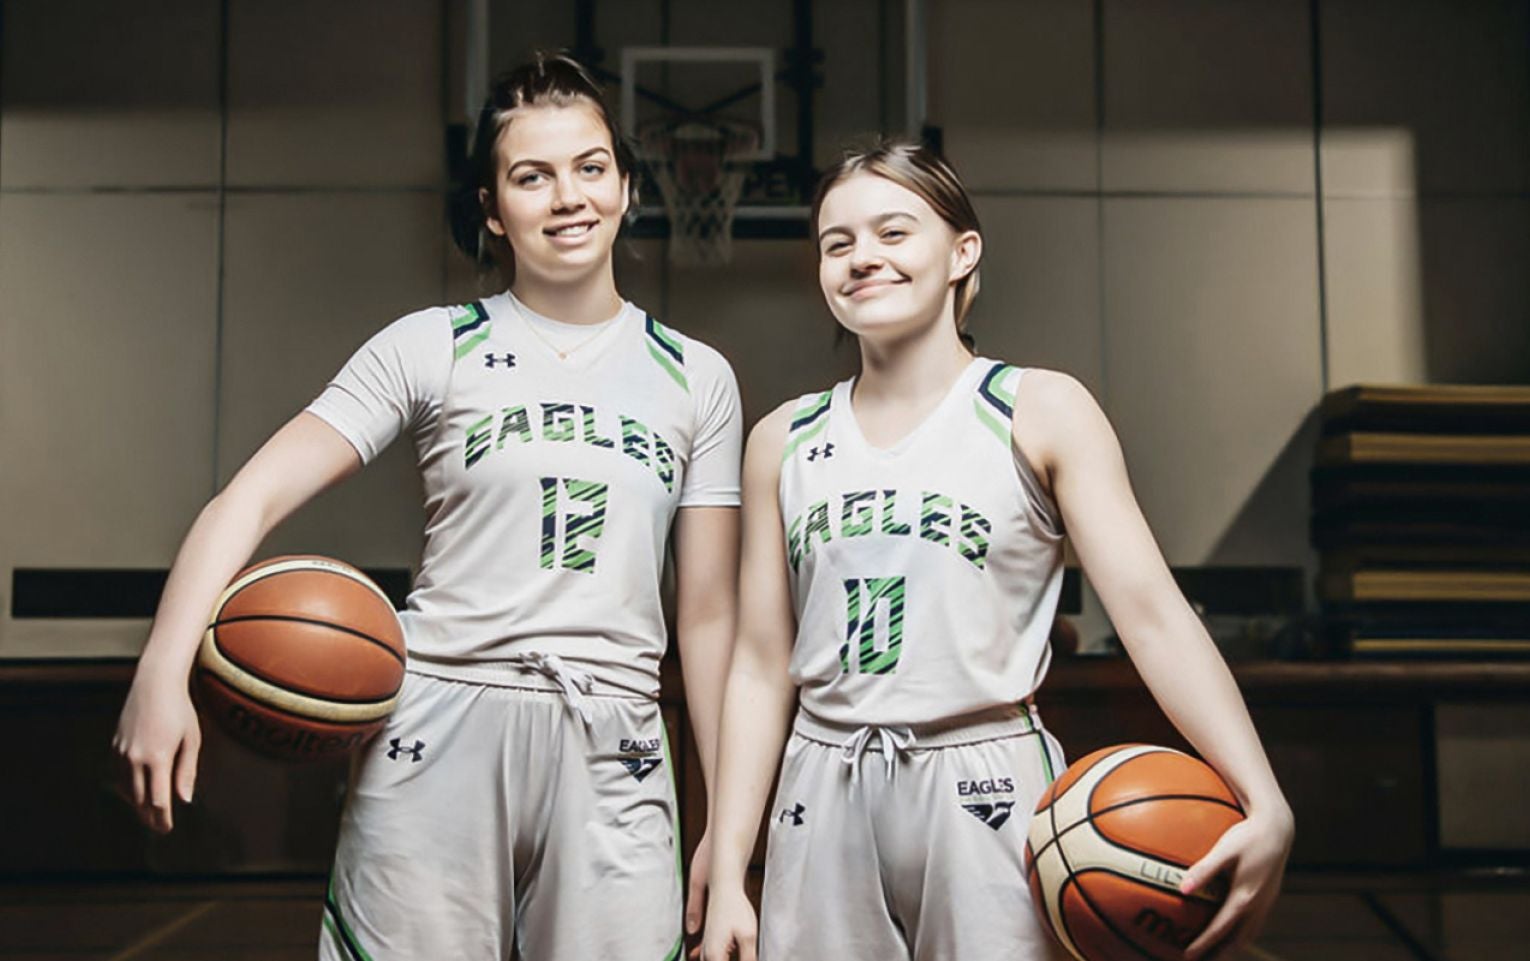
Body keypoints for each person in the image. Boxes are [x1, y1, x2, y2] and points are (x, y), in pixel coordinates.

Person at [112, 53, 742, 960]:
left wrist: (725, 826)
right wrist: (161, 670)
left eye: (591, 167)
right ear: (492, 209)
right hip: (442, 724)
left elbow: (711, 614)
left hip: (616, 739)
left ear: (627, 186)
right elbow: (244, 499)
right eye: (532, 175)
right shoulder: (432, 345)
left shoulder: (699, 377)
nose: (568, 196)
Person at [700, 140, 1293, 961]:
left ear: (961, 251)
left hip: (985, 779)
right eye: (838, 244)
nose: (863, 257)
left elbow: (1153, 616)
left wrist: (1263, 796)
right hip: (822, 780)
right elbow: (762, 664)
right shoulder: (782, 438)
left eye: (893, 232)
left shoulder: (1039, 409)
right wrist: (728, 859)